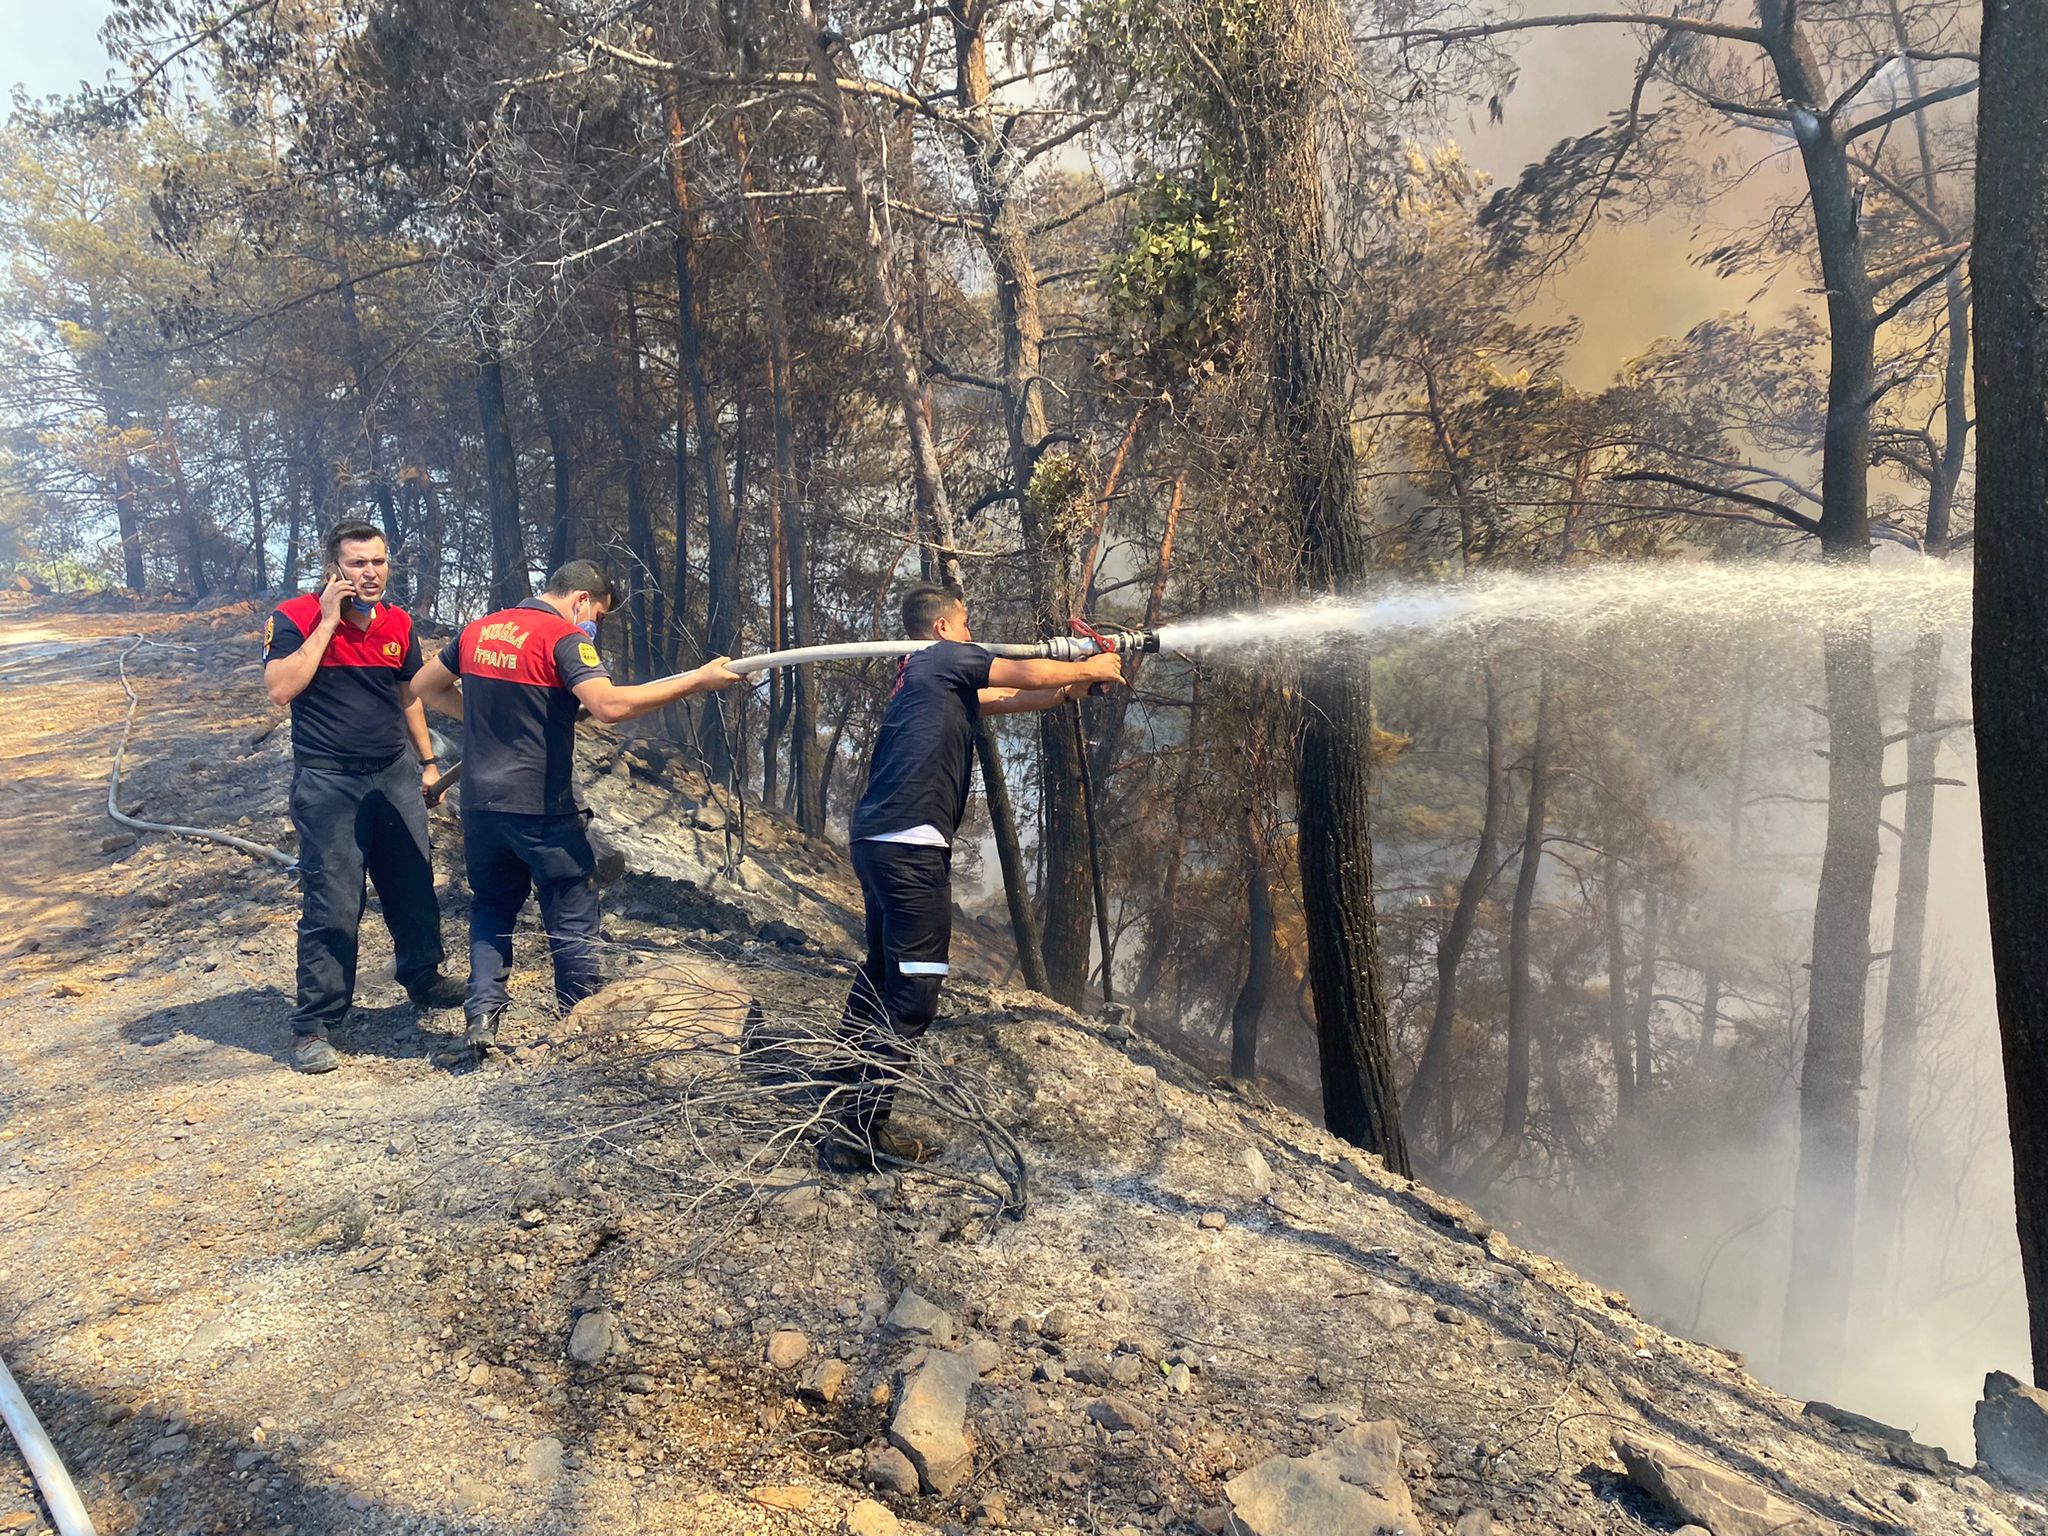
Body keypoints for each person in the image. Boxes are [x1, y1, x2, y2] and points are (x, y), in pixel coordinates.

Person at [823, 582, 1124, 1171]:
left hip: (880, 841)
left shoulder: (920, 678)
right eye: (965, 625)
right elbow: (1017, 671)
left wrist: (1073, 688)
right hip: (911, 847)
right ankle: (857, 1132)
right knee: (914, 992)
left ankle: (837, 1084)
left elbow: (1011, 698)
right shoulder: (944, 656)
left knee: (885, 969)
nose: (971, 634)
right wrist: (1092, 661)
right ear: (942, 627)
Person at [409, 560, 743, 1056]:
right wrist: (697, 681)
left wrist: (491, 717)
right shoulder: (564, 639)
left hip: (479, 805)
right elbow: (609, 707)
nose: (595, 625)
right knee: (570, 909)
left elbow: (424, 686)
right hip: (540, 805)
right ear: (582, 600)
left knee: (492, 907)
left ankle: (481, 1017)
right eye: (600, 615)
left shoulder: (479, 630)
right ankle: (580, 1023)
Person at [263, 519, 465, 1075]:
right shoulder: (294, 617)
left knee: (412, 883)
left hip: (394, 773)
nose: (370, 572)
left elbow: (408, 695)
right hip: (328, 780)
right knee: (334, 901)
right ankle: (315, 1024)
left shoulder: (399, 623)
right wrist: (328, 621)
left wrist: (427, 764)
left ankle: (423, 977)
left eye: (378, 561)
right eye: (357, 563)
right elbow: (281, 689)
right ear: (335, 568)